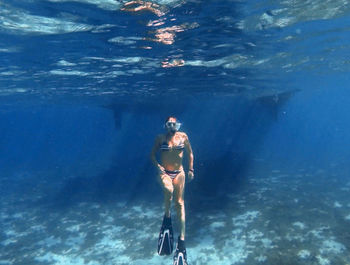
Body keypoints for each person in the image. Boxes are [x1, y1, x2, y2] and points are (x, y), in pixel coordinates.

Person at [150, 116, 194, 265]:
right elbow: (151, 155)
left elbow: (190, 153)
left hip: (179, 172)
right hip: (165, 173)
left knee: (180, 203)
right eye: (169, 124)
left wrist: (191, 169)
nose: (171, 126)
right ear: (165, 125)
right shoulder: (160, 138)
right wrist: (158, 167)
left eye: (173, 124)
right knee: (168, 191)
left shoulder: (183, 136)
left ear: (177, 125)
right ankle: (167, 217)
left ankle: (181, 241)